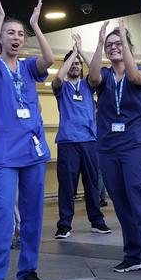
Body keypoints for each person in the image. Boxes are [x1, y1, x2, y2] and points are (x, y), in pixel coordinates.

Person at [0, 0, 54, 280]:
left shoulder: (28, 68)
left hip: (33, 150)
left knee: (33, 214)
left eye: (20, 33)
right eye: (11, 32)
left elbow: (49, 59)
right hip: (5, 154)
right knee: (2, 213)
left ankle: (28, 271)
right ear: (2, 37)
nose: (16, 37)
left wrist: (36, 25)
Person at [88, 20, 141, 277]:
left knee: (139, 198)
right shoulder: (105, 75)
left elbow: (134, 77)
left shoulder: (140, 72)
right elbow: (91, 78)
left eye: (118, 43)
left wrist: (123, 36)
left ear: (128, 47)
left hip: (134, 144)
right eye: (110, 45)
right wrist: (100, 43)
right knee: (121, 202)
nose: (114, 48)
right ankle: (133, 256)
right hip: (109, 146)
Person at [52, 34, 110, 239]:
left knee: (92, 184)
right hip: (68, 142)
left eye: (78, 63)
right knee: (67, 186)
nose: (75, 65)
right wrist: (72, 53)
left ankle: (97, 221)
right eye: (72, 63)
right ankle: (64, 225)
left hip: (89, 141)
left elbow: (96, 72)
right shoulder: (62, 88)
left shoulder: (88, 84)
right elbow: (58, 77)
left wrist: (81, 52)